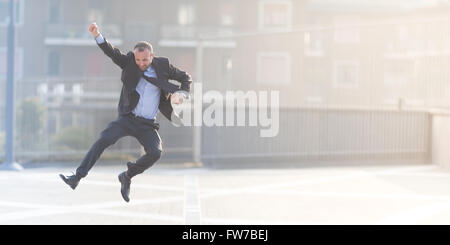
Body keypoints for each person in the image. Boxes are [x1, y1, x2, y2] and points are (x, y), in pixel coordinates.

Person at [59, 22, 192, 202]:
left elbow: (185, 78)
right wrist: (97, 35)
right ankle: (77, 177)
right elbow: (111, 52)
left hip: (147, 124)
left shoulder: (163, 65)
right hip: (127, 118)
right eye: (138, 60)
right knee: (103, 139)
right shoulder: (129, 63)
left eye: (145, 60)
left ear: (152, 56)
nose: (141, 64)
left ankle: (127, 176)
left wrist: (182, 94)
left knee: (156, 152)